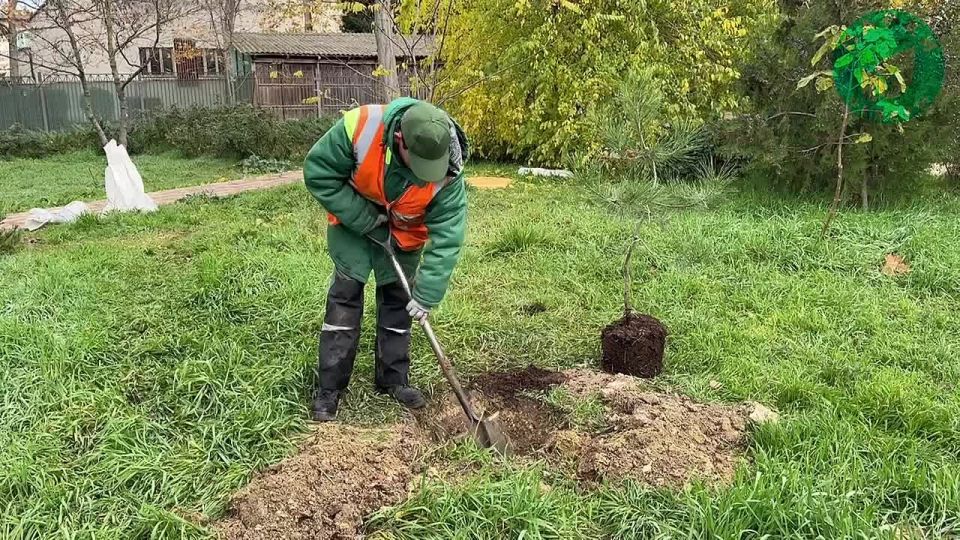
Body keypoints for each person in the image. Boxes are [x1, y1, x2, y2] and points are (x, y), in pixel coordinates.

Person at [303, 98, 468, 422]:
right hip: (354, 223)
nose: (425, 176)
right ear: (400, 140)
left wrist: (427, 294)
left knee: (398, 302)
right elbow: (319, 173)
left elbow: (448, 236)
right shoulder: (361, 126)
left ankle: (393, 379)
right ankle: (330, 387)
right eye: (418, 163)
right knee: (344, 299)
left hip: (405, 234)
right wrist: (365, 218)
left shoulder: (450, 167)